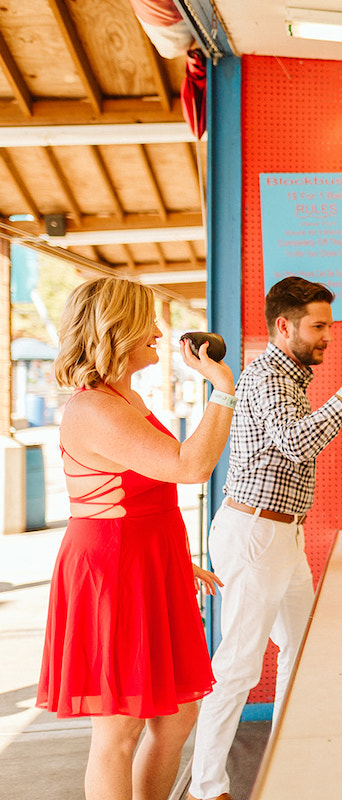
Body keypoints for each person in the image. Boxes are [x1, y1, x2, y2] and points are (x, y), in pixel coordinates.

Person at [38, 277, 235, 800]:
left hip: (143, 562)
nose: (157, 330)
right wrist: (224, 389)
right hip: (112, 571)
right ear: (116, 330)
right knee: (119, 729)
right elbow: (188, 467)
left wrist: (172, 560)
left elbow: (136, 489)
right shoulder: (94, 408)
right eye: (146, 321)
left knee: (174, 718)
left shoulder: (124, 397)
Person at [188, 276, 342, 800]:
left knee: (301, 647)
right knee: (238, 665)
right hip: (255, 533)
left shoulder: (290, 376)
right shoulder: (270, 376)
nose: (328, 338)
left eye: (329, 328)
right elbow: (297, 443)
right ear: (284, 325)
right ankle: (207, 788)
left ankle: (290, 761)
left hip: (281, 536)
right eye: (318, 327)